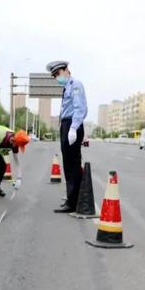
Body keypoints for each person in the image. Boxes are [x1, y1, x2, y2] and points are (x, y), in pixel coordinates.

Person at [46, 61, 87, 213]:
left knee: (72, 166)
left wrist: (73, 128)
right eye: (55, 75)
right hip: (66, 125)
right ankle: (73, 198)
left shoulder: (75, 85)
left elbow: (80, 108)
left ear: (66, 70)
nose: (57, 77)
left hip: (71, 125)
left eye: (58, 74)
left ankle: (73, 202)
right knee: (70, 165)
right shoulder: (67, 87)